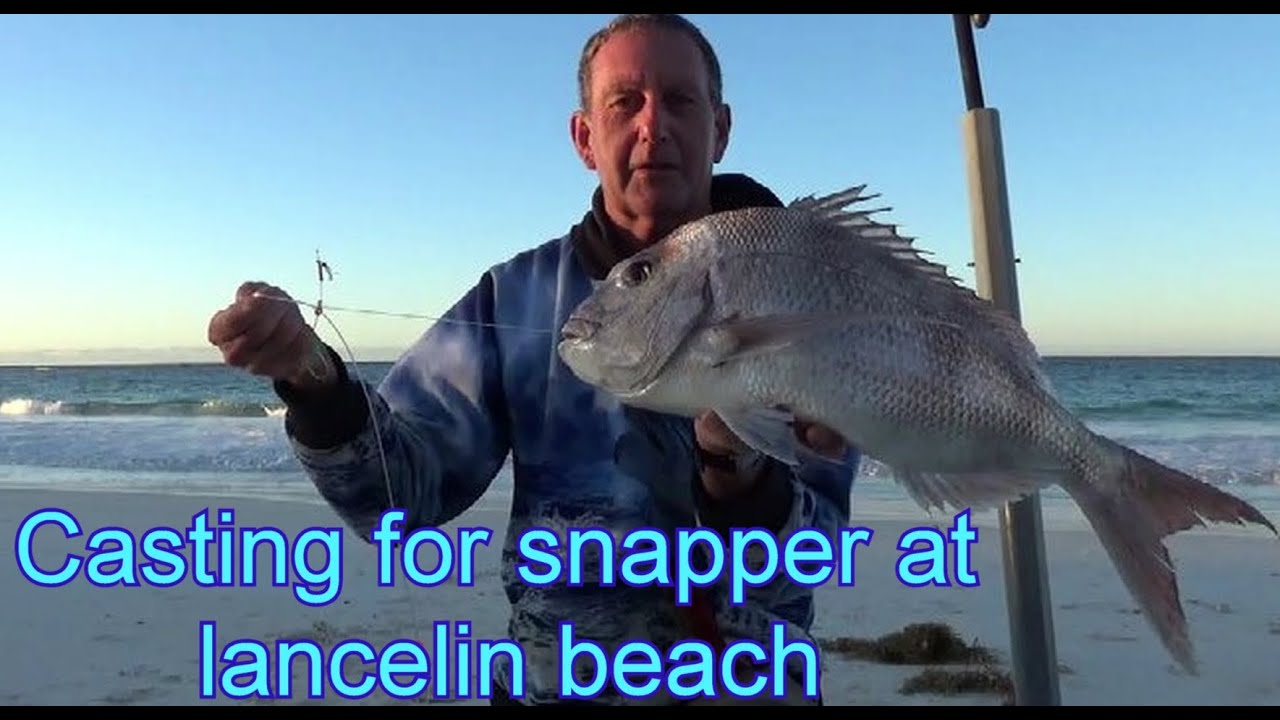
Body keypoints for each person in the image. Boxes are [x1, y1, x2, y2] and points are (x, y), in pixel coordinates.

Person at [207, 13, 860, 706]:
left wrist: (737, 473)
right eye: (624, 102)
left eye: (679, 100)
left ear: (720, 128)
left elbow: (812, 552)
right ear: (584, 137)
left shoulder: (808, 292)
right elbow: (396, 496)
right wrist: (312, 377)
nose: (652, 126)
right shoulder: (517, 297)